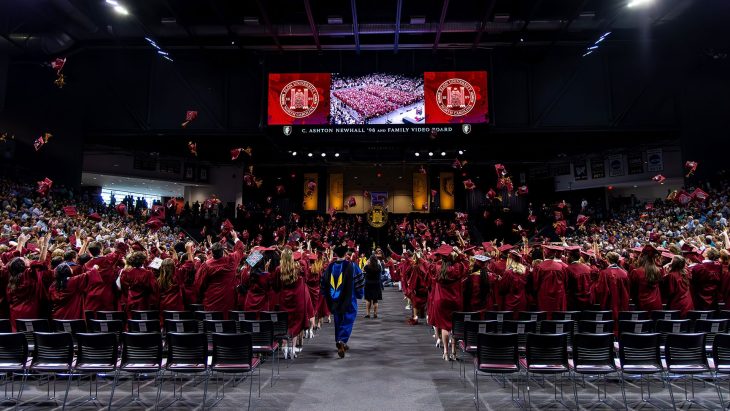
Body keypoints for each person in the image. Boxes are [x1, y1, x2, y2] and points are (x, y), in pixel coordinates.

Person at [320, 245, 364, 358]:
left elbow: (323, 282)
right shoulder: (352, 266)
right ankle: (342, 340)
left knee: (338, 320)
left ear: (335, 255)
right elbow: (359, 281)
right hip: (349, 299)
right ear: (345, 254)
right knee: (348, 319)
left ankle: (340, 341)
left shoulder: (329, 267)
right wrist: (359, 293)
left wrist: (325, 295)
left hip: (334, 300)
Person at [427, 244, 468, 361]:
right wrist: (459, 254)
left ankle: (445, 351)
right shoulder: (457, 267)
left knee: (444, 327)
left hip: (441, 300)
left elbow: (429, 268)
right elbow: (466, 264)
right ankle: (454, 352)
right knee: (454, 326)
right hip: (455, 300)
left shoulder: (437, 267)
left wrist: (437, 257)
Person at [194, 230, 245, 316]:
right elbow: (240, 250)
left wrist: (201, 296)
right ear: (223, 251)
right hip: (228, 301)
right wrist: (235, 237)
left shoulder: (206, 265)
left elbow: (199, 283)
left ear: (212, 253)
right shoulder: (231, 261)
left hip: (211, 301)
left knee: (212, 326)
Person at [274, 248, 313, 359]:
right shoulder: (298, 268)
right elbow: (306, 277)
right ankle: (292, 349)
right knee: (295, 323)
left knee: (286, 323)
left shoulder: (278, 269)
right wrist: (301, 254)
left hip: (284, 301)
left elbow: (276, 287)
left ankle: (285, 346)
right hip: (297, 301)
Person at [118, 251, 159, 317]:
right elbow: (153, 287)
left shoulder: (126, 273)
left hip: (131, 300)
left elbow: (124, 288)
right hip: (144, 301)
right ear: (143, 261)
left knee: (132, 322)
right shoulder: (148, 273)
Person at [591, 251, 630, 322]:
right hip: (622, 303)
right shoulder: (624, 273)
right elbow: (628, 289)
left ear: (608, 260)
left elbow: (600, 290)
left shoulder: (604, 273)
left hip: (609, 304)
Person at [532, 245, 569, 317]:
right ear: (554, 254)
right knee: (558, 318)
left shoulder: (539, 267)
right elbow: (566, 283)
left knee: (545, 318)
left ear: (544, 254)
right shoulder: (561, 267)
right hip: (559, 296)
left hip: (544, 297)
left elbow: (535, 285)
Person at [629, 245, 664, 311]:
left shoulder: (636, 272)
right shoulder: (660, 271)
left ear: (641, 257)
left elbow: (632, 291)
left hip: (642, 305)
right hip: (657, 305)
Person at [499, 249, 530, 317]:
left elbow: (503, 288)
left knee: (510, 324)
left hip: (510, 300)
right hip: (522, 300)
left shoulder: (508, 273)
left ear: (510, 260)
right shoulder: (526, 271)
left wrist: (501, 281)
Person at [363, 254, 383, 318]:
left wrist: (366, 263)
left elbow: (363, 269)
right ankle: (375, 313)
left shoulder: (367, 267)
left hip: (368, 284)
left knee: (368, 299)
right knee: (375, 300)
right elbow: (381, 271)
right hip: (376, 284)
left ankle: (368, 313)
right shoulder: (379, 266)